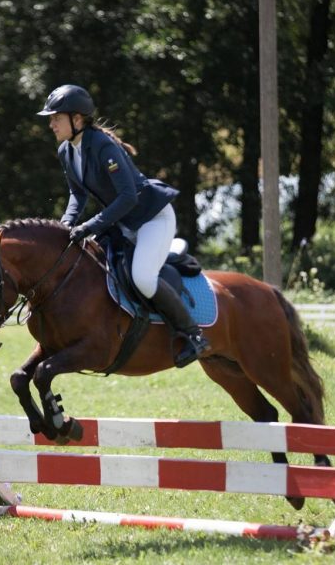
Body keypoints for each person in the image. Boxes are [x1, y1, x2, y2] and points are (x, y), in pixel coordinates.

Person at [37, 84, 209, 367]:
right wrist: (66, 225)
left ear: (77, 119)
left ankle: (193, 334)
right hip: (121, 222)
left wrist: (90, 226)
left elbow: (128, 196)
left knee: (142, 276)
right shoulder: (66, 151)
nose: (51, 123)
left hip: (152, 218)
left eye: (56, 117)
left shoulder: (103, 146)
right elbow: (77, 195)